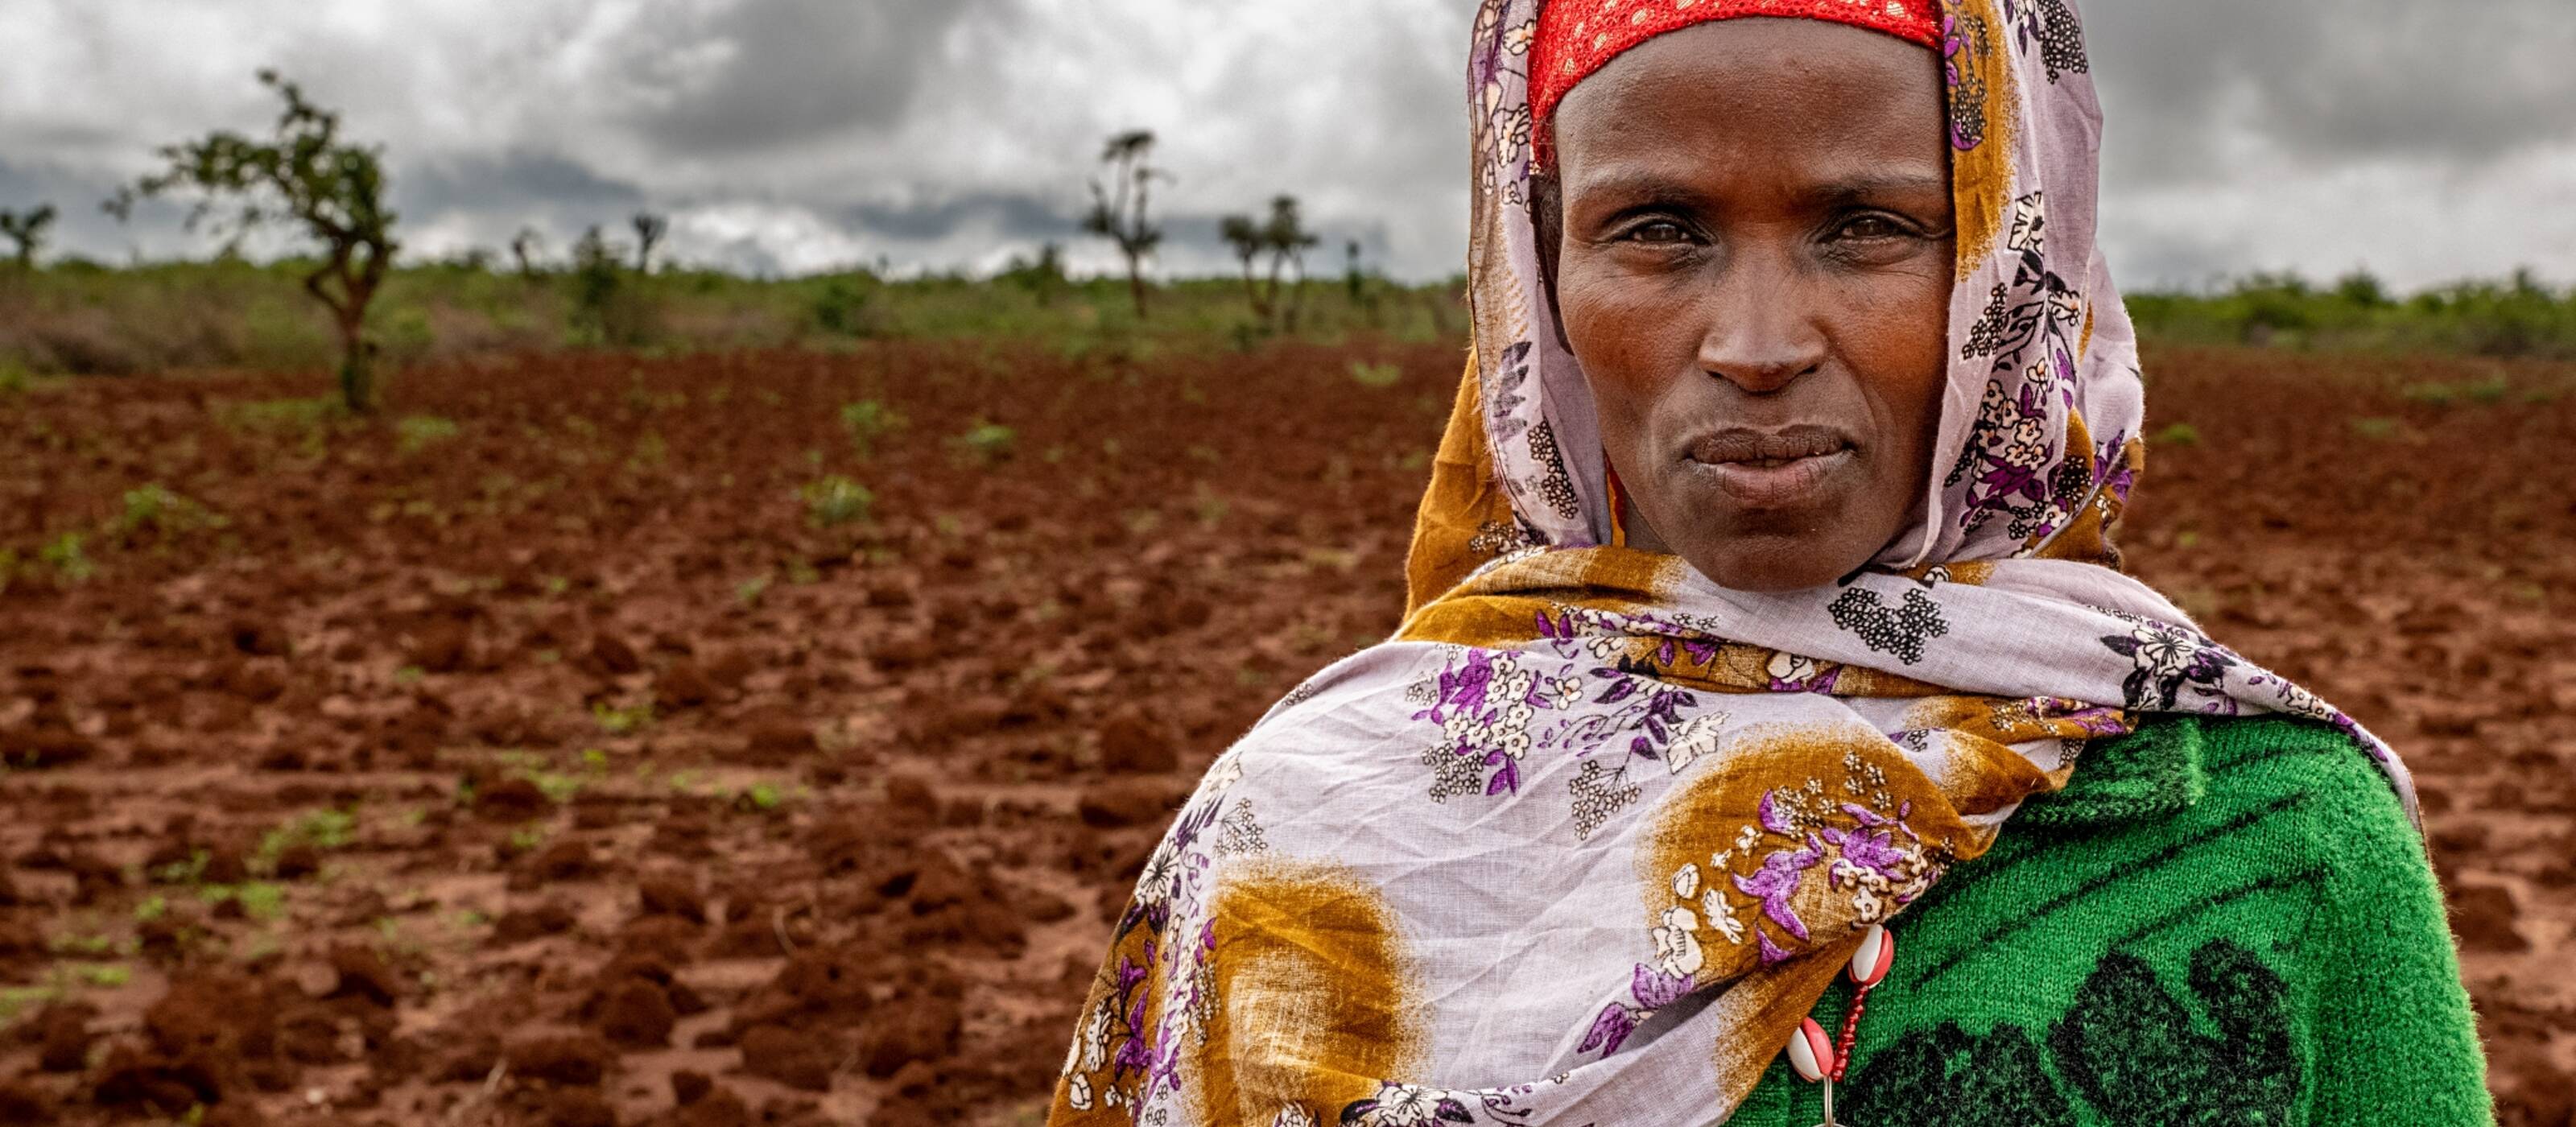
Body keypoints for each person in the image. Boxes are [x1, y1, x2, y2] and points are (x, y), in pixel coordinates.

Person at [1047, 1, 2492, 1123]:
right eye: (1657, 230)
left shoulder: (2274, 830)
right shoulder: (1297, 844)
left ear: (2008, 270)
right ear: (1539, 275)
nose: (1754, 345)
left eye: (1868, 229)